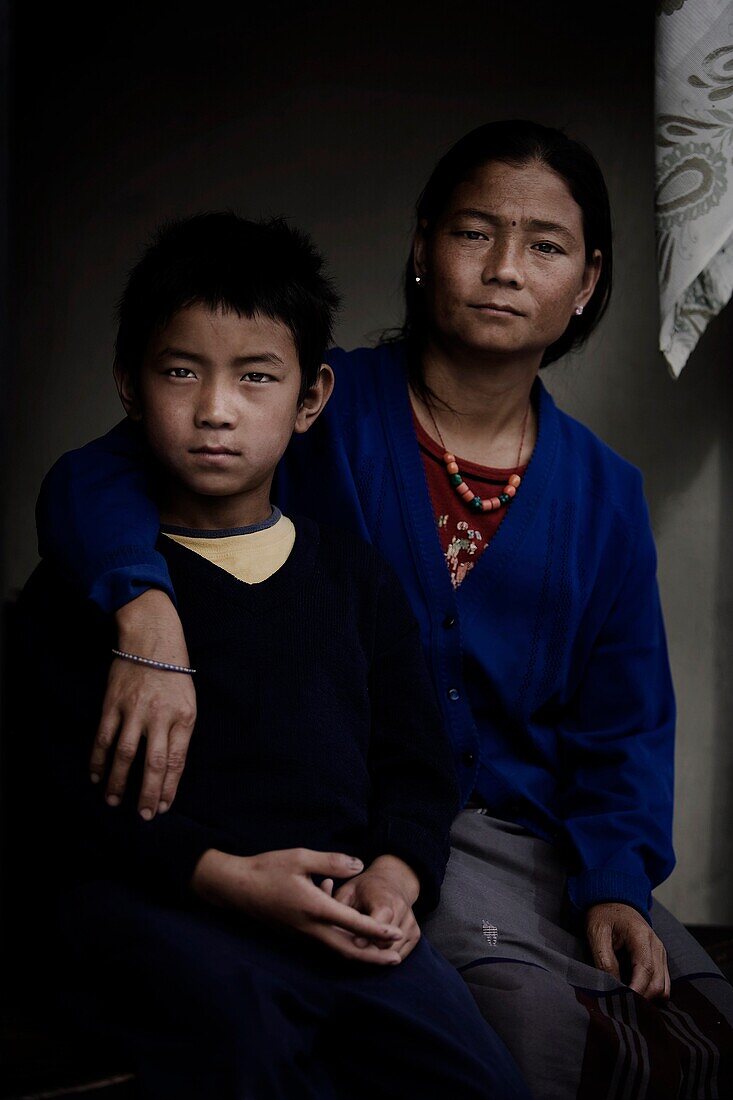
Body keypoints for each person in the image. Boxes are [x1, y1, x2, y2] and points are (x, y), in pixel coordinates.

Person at [35, 121, 733, 1098]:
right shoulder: (310, 401)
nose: (501, 269)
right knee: (514, 1026)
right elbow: (92, 479)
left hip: (525, 838)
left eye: (543, 245)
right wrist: (143, 606)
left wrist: (616, 878)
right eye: (472, 232)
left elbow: (623, 720)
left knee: (700, 1019)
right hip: (360, 823)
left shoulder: (607, 492)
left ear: (586, 281)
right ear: (419, 248)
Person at [17, 212, 530, 1100]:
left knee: (477, 1074)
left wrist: (395, 875)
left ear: (310, 400)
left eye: (256, 377)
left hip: (336, 915)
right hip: (164, 906)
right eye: (181, 371)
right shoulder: (87, 586)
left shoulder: (353, 579)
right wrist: (220, 878)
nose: (216, 409)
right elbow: (51, 786)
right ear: (130, 387)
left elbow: (416, 764)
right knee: (246, 1051)